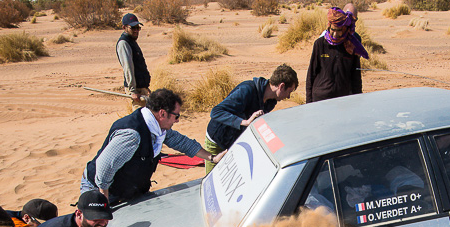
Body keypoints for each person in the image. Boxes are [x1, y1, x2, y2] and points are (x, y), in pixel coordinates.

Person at [80, 90, 222, 206]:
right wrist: (104, 205)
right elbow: (104, 167)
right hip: (100, 190)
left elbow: (182, 143)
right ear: (162, 113)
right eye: (176, 116)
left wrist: (212, 158)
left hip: (124, 191)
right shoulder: (132, 135)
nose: (177, 120)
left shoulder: (158, 129)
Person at [204, 65, 298, 171]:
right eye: (289, 91)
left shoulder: (271, 102)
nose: (288, 96)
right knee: (212, 180)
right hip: (217, 143)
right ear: (281, 86)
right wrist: (244, 122)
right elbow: (216, 112)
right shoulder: (247, 90)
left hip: (234, 145)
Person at [305, 7, 368, 103]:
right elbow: (311, 74)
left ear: (345, 29)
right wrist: (309, 102)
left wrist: (357, 100)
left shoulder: (351, 46)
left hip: (343, 99)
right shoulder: (320, 44)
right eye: (333, 30)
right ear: (329, 26)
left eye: (339, 30)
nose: (335, 34)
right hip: (321, 98)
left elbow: (356, 76)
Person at [117, 13, 151, 109]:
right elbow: (128, 68)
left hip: (141, 88)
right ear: (124, 27)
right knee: (139, 117)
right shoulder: (124, 43)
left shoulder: (132, 41)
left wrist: (145, 87)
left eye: (138, 28)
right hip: (136, 90)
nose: (136, 31)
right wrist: (132, 91)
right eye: (133, 28)